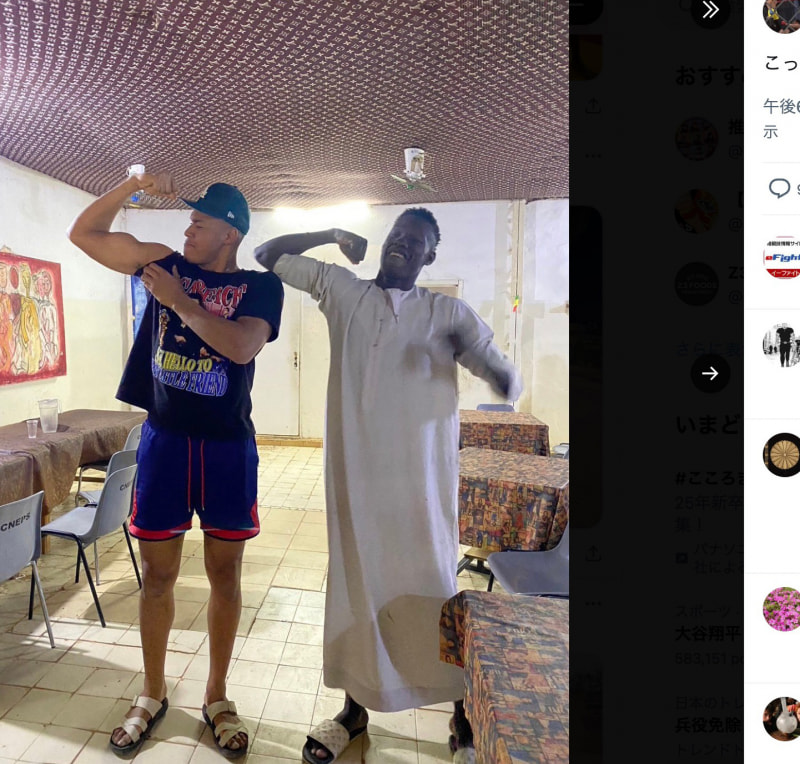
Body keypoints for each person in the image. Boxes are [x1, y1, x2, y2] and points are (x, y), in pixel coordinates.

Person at [254, 208, 522, 763]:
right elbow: (267, 255)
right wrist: (328, 235)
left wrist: (492, 369)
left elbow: (506, 378)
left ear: (429, 256)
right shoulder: (343, 292)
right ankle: (354, 713)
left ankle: (462, 716)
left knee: (433, 589)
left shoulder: (447, 313)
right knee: (359, 589)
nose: (402, 243)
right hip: (358, 485)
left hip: (423, 490)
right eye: (397, 235)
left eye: (415, 241)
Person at [68, 172, 284, 758]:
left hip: (226, 448)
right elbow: (85, 234)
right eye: (188, 222)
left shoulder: (260, 286)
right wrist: (131, 187)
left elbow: (241, 345)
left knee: (225, 577)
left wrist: (178, 302)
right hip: (165, 442)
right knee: (157, 577)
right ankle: (153, 691)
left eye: (199, 223)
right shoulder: (164, 264)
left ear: (230, 233)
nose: (187, 231)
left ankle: (216, 695)